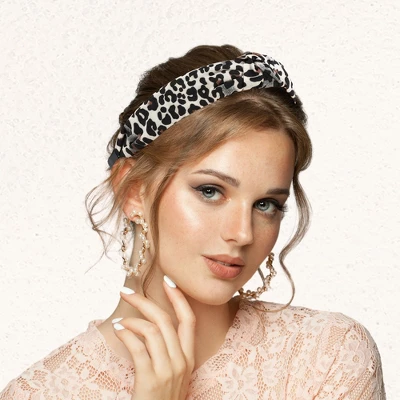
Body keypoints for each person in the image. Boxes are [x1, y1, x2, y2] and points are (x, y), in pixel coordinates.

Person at [0, 44, 385, 399]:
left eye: (266, 204)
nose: (242, 233)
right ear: (134, 191)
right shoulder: (39, 393)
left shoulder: (327, 355)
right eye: (210, 191)